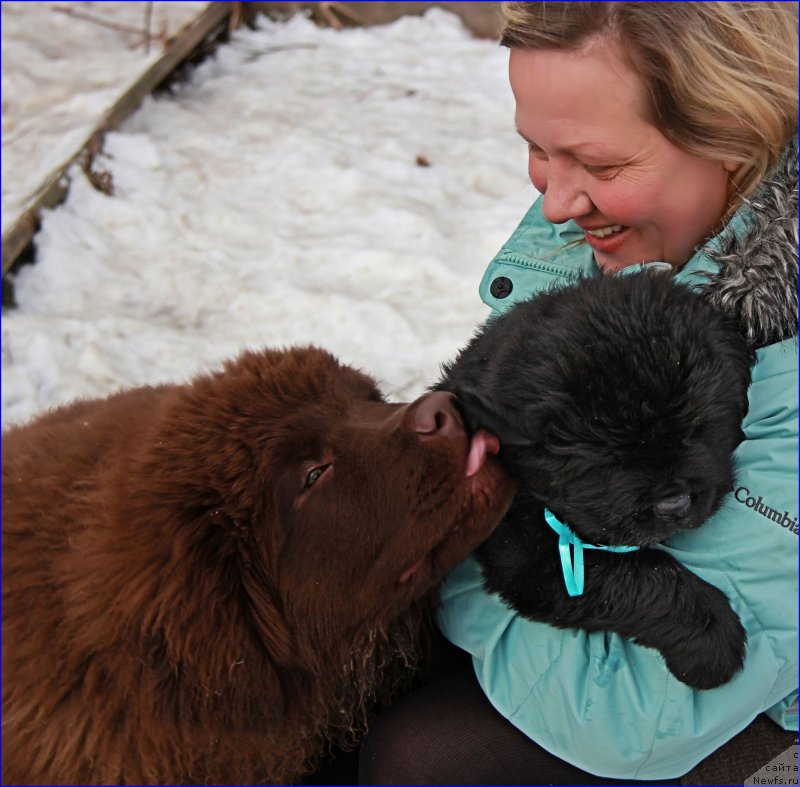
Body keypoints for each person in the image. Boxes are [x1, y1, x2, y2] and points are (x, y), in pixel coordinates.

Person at [358, 3, 798, 783]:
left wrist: (456, 558)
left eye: (598, 166)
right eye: (536, 150)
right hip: (589, 583)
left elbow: (641, 719)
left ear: (732, 140)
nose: (557, 203)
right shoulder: (626, 237)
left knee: (421, 761)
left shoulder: (782, 364)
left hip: (721, 695)